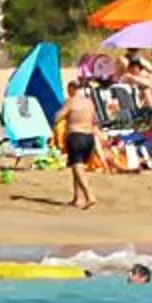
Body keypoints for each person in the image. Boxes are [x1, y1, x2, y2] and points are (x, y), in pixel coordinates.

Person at [59, 79, 100, 209]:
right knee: (78, 167)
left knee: (78, 168)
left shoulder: (71, 102)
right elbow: (95, 120)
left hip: (76, 136)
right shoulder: (89, 102)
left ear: (71, 89)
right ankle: (78, 198)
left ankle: (89, 196)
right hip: (89, 137)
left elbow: (57, 117)